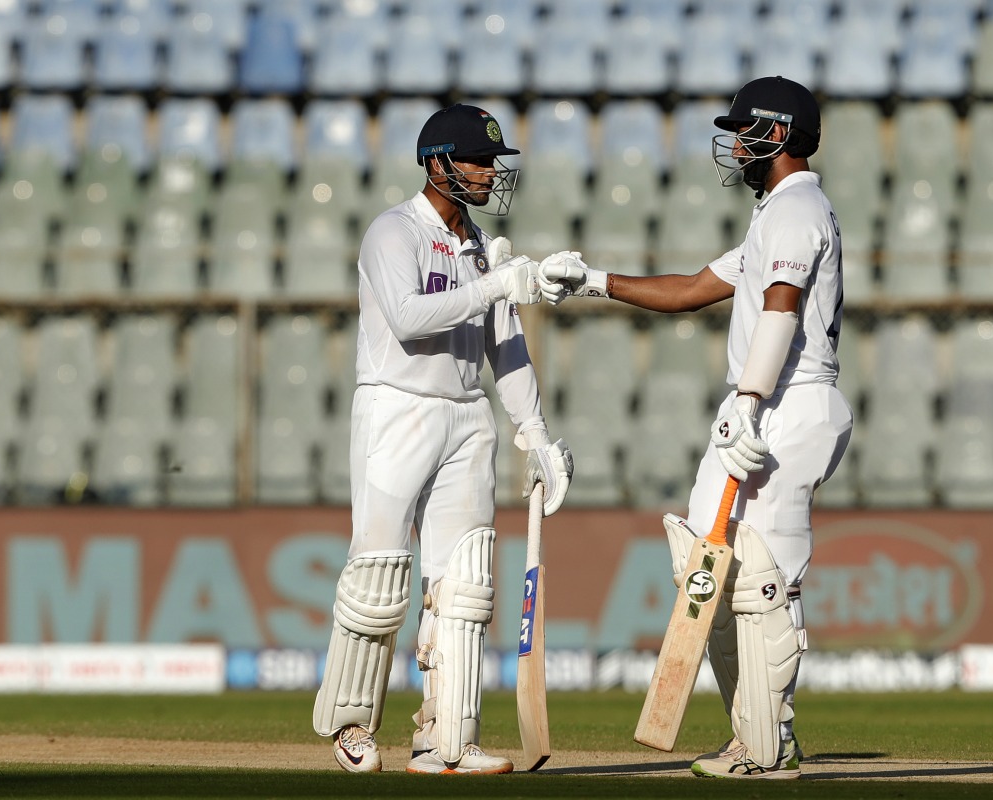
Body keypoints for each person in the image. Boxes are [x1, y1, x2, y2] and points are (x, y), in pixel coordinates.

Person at [540, 76, 851, 780]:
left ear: (777, 133)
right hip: (764, 402)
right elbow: (687, 291)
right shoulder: (775, 215)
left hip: (786, 403)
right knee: (708, 574)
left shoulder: (799, 211)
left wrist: (748, 399)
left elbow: (781, 308)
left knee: (763, 581)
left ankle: (770, 747)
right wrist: (592, 280)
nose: (735, 144)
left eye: (746, 131)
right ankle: (758, 734)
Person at [312, 103, 574, 776]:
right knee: (378, 575)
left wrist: (536, 435)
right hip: (396, 409)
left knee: (463, 583)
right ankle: (350, 726)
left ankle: (447, 739)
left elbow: (505, 346)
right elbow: (406, 319)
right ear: (438, 164)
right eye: (478, 160)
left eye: (494, 161)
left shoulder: (480, 247)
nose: (490, 172)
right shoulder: (392, 232)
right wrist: (493, 286)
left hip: (465, 413)